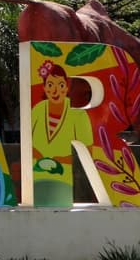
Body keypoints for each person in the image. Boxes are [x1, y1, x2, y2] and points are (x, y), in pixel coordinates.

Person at [30, 61, 92, 205]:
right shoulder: (37, 110)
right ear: (44, 88)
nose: (55, 90)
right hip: (37, 178)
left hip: (63, 180)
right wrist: (37, 155)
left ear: (67, 86)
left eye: (61, 85)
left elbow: (88, 151)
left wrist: (61, 160)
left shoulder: (78, 115)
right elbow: (27, 142)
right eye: (50, 85)